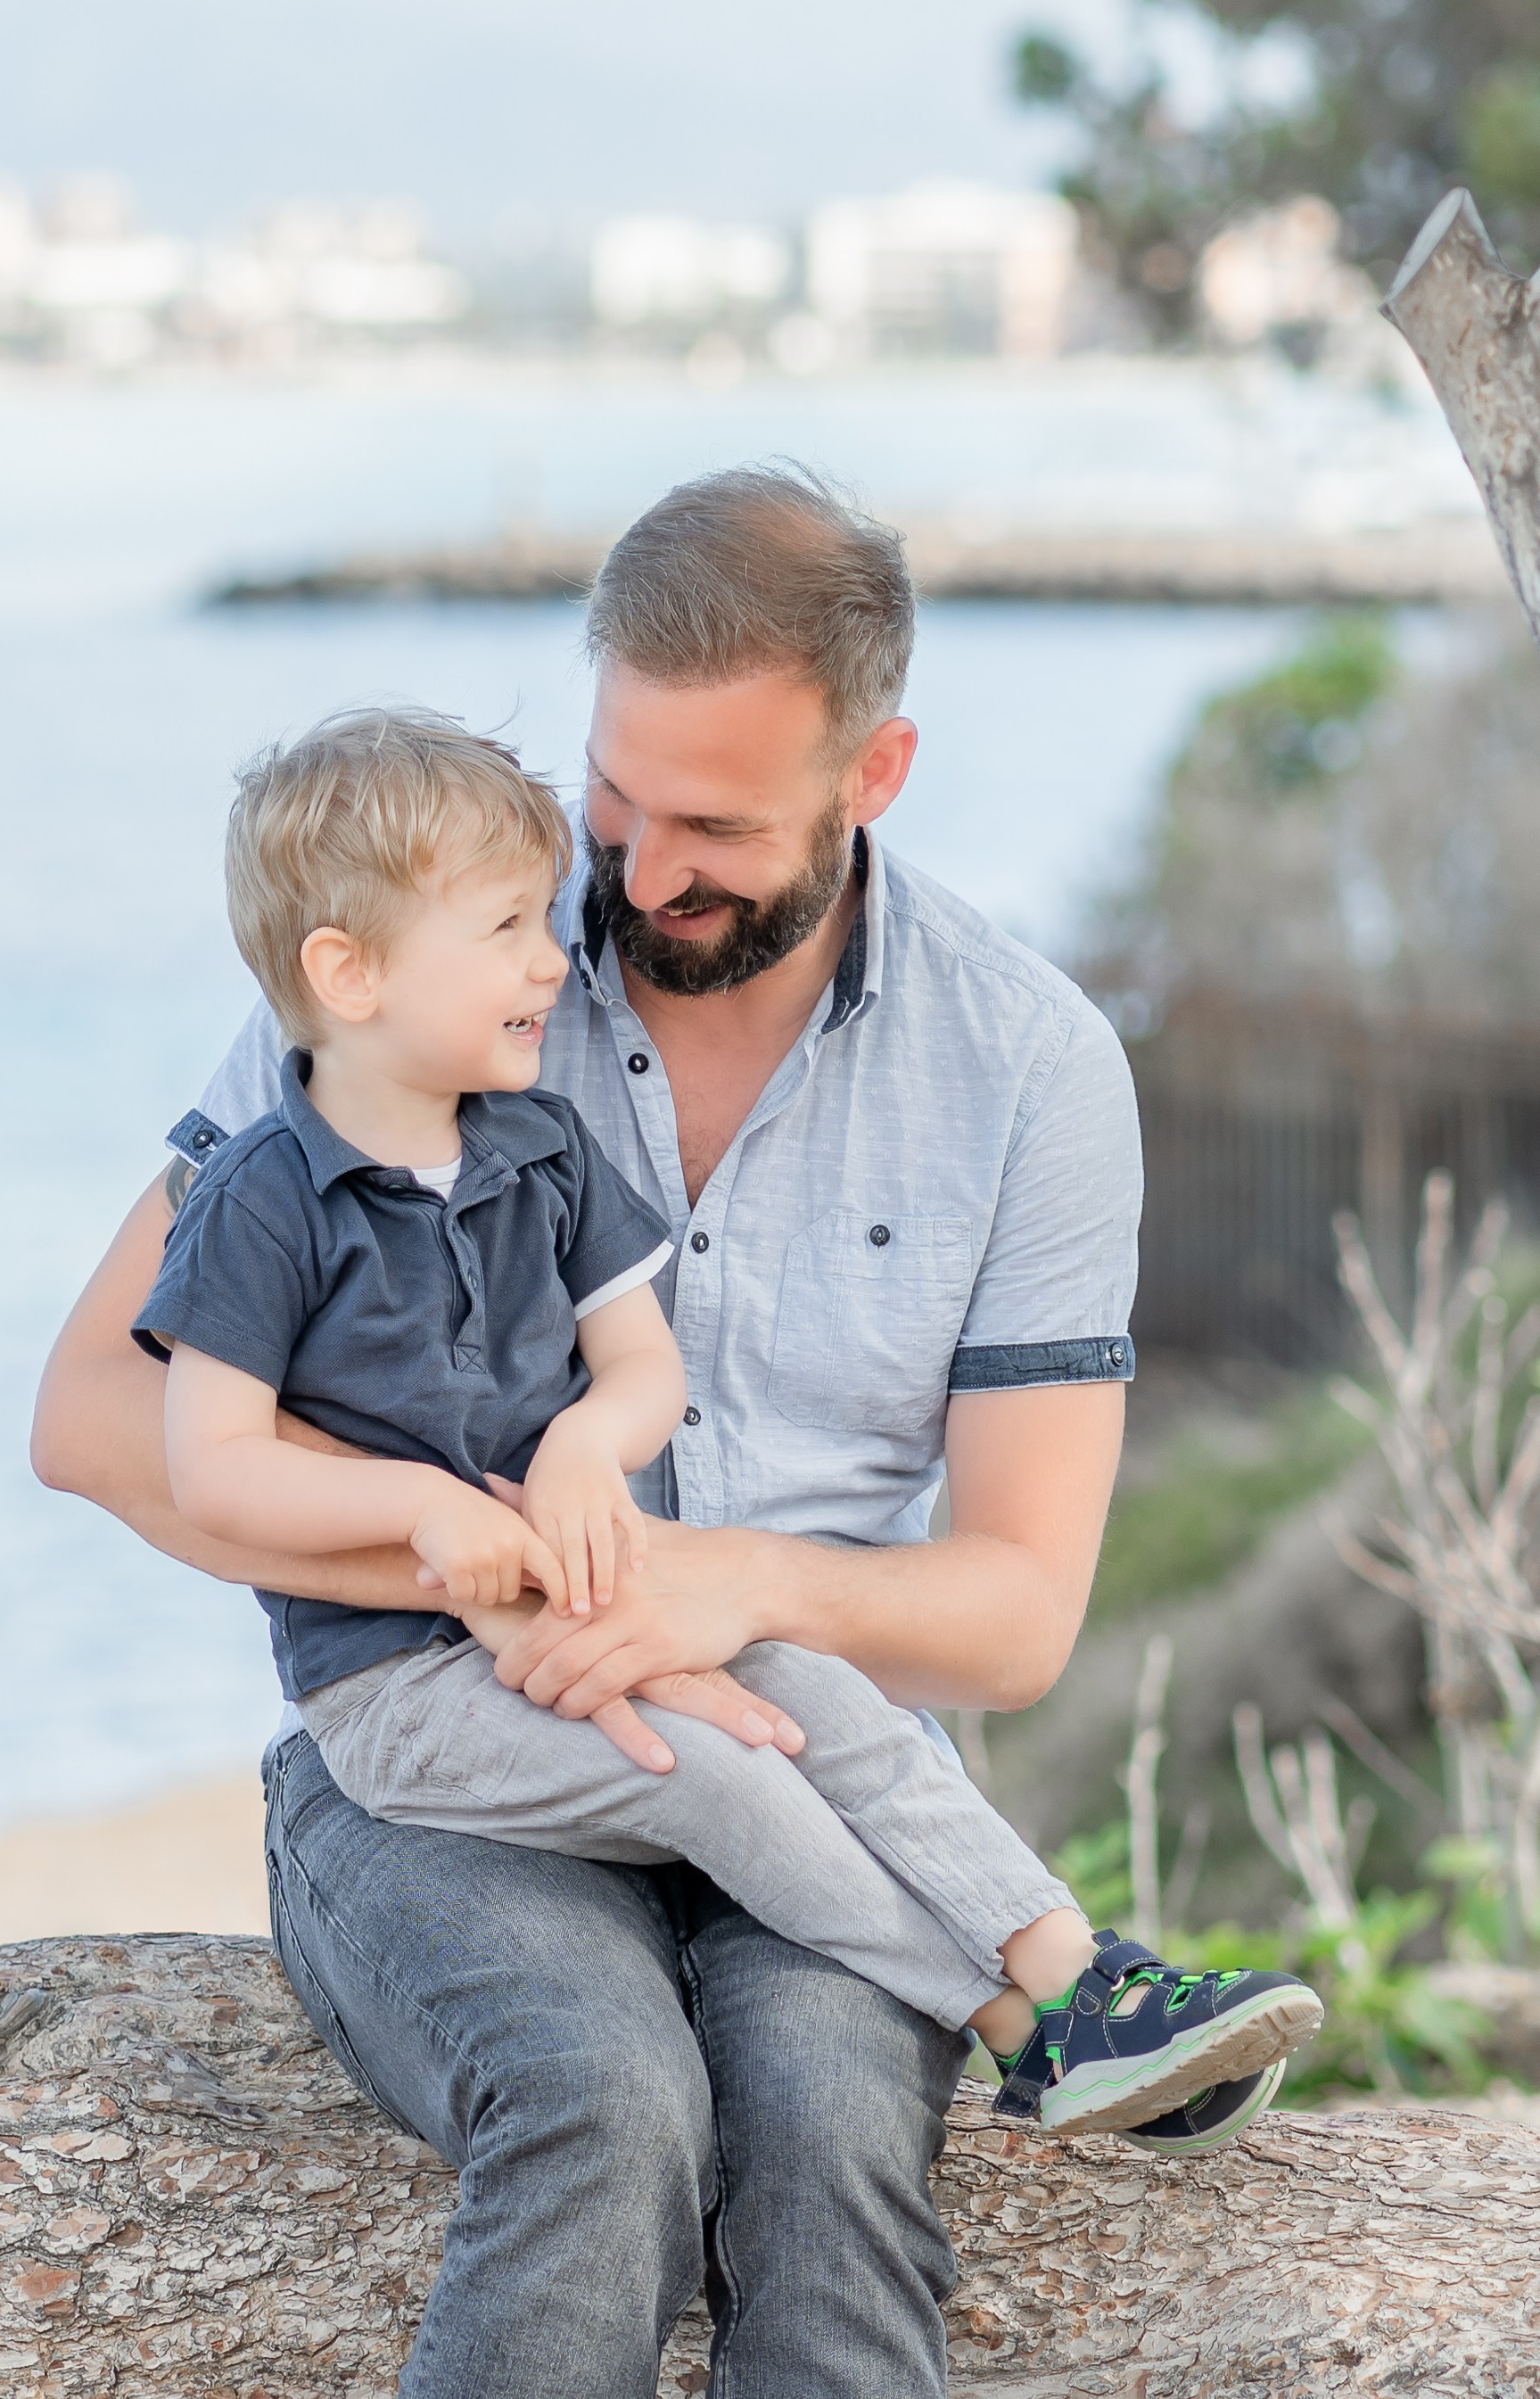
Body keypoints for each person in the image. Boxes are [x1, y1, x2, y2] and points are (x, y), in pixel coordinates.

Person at [32, 465, 1295, 2399]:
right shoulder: (419, 954)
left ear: (873, 774)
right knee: (604, 2105)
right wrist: (491, 1588)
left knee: (824, 2139)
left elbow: (1019, 1616)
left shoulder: (1028, 1064)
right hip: (433, 1763)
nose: (629, 875)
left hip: (811, 1758)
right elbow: (99, 1415)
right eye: (618, 798)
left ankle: (1063, 1999)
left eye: (714, 825)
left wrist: (726, 1589)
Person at [132, 702, 1322, 2139]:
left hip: (605, 1593)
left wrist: (583, 1444)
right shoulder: (265, 1194)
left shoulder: (534, 1148)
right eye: (511, 929)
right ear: (349, 972)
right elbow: (205, 1464)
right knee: (717, 1777)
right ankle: (1005, 2024)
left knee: (823, 1693)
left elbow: (643, 1368)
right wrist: (427, 1515)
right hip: (405, 1687)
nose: (551, 957)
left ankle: (1082, 1978)